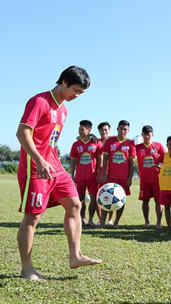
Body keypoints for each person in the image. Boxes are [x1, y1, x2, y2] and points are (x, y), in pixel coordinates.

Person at [16, 66, 101, 281]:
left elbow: (50, 142)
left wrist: (51, 161)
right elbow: (22, 132)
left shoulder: (63, 110)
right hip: (35, 168)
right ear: (64, 81)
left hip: (55, 167)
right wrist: (39, 159)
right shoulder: (39, 101)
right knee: (32, 218)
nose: (77, 96)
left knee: (75, 204)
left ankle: (75, 256)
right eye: (76, 90)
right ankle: (27, 269)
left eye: (81, 93)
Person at [100, 120, 136, 229]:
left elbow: (132, 162)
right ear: (117, 129)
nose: (123, 131)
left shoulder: (130, 143)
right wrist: (104, 174)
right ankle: (102, 222)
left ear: (128, 131)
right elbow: (105, 158)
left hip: (124, 178)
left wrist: (130, 178)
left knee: (121, 200)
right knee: (105, 198)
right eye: (121, 128)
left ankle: (116, 222)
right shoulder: (110, 141)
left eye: (125, 129)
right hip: (111, 177)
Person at [69, 120, 103, 227]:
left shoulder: (96, 143)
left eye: (82, 129)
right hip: (80, 176)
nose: (80, 131)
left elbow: (100, 158)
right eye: (79, 129)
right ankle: (82, 219)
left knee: (93, 199)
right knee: (80, 199)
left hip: (92, 176)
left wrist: (99, 173)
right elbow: (73, 160)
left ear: (89, 130)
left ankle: (91, 219)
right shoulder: (76, 144)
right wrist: (72, 175)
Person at [135, 125, 165, 229]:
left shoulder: (158, 145)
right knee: (145, 201)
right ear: (142, 135)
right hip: (145, 180)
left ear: (152, 135)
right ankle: (146, 222)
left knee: (158, 201)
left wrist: (161, 165)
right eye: (145, 134)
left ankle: (159, 223)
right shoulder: (138, 147)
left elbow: (165, 158)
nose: (147, 137)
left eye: (149, 134)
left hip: (157, 179)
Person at [97, 122, 114, 225]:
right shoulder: (96, 141)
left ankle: (110, 220)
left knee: (113, 195)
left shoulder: (113, 141)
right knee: (99, 197)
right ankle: (100, 219)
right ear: (98, 131)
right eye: (102, 130)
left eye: (106, 130)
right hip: (99, 173)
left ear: (109, 130)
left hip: (110, 172)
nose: (104, 132)